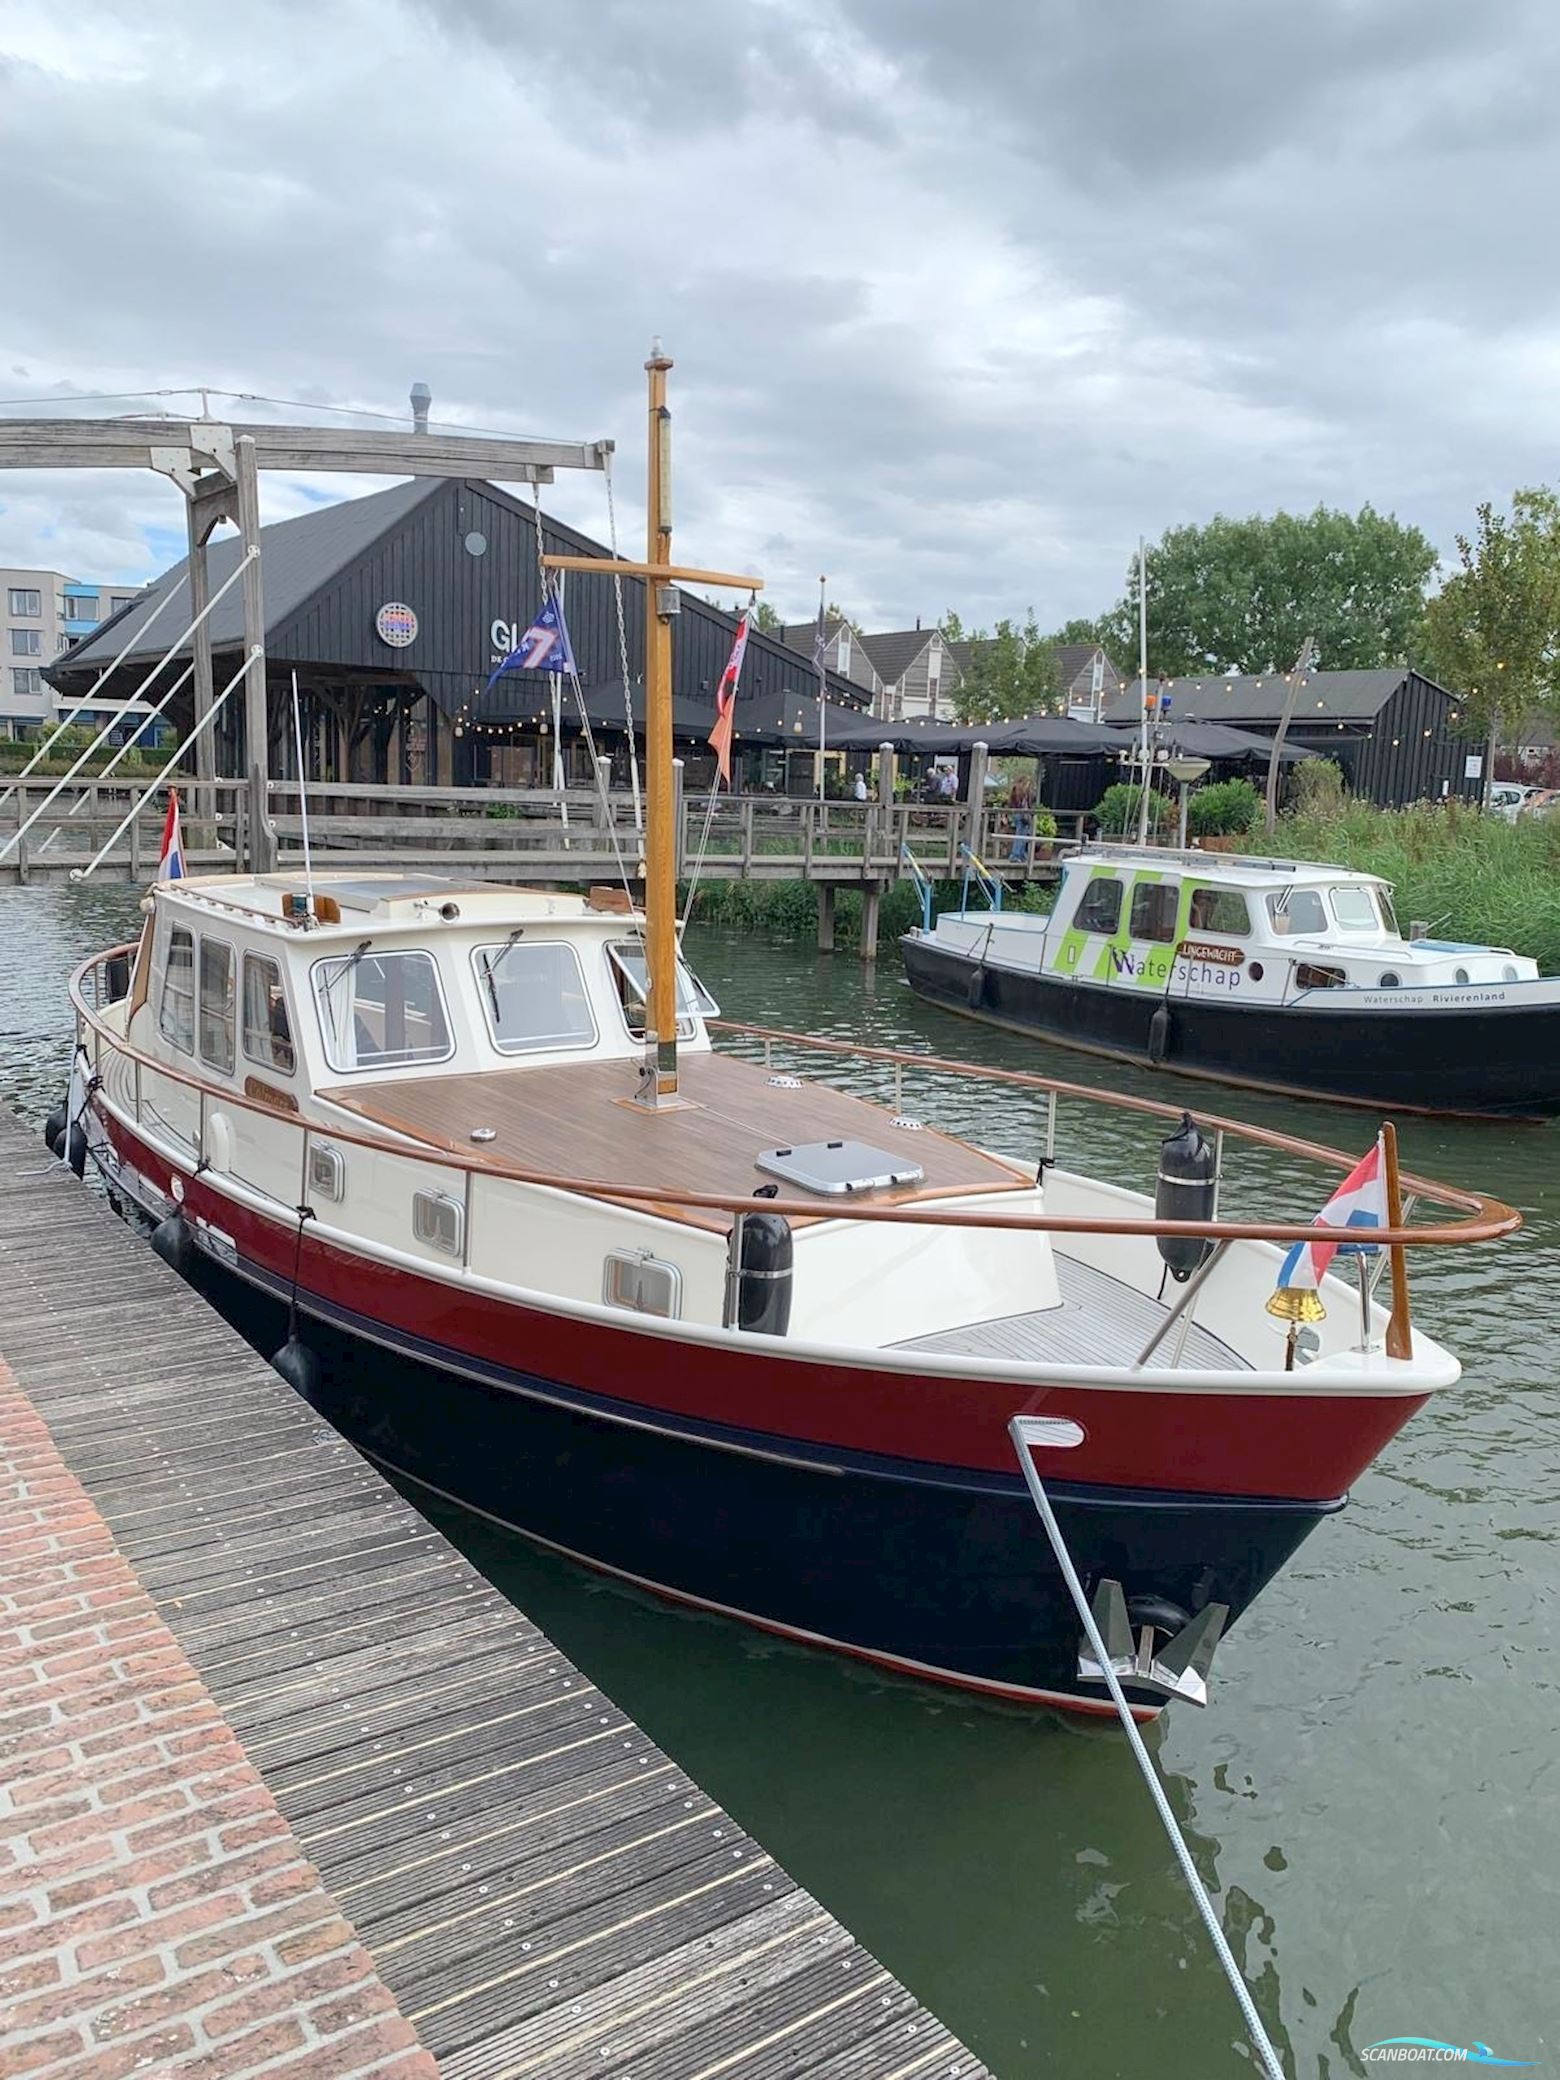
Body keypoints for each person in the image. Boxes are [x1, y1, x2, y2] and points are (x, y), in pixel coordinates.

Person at [1008, 772, 1035, 862]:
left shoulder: (1016, 790)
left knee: (1022, 835)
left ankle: (1021, 854)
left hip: (1018, 813)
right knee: (1020, 835)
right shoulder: (1021, 791)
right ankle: (1015, 855)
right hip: (1021, 814)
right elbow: (1023, 804)